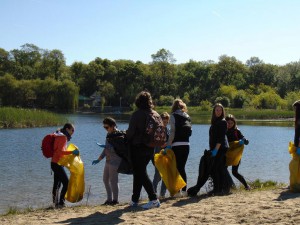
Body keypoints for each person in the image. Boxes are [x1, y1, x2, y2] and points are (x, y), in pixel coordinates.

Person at [126, 91, 160, 209]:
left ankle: (154, 199)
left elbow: (130, 133)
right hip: (151, 147)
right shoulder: (155, 113)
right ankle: (134, 200)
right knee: (139, 172)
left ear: (138, 101)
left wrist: (125, 137)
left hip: (138, 147)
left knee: (140, 173)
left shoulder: (137, 114)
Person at [92, 117, 122, 205]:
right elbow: (105, 150)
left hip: (116, 161)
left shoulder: (118, 135)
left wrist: (106, 147)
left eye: (107, 127)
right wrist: (98, 159)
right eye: (104, 127)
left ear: (113, 126)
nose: (105, 129)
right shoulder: (108, 135)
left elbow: (117, 149)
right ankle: (109, 199)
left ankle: (115, 200)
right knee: (105, 180)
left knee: (113, 181)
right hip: (108, 161)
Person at [165, 99, 192, 197]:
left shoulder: (173, 116)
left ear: (174, 107)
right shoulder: (188, 116)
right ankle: (184, 191)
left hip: (176, 145)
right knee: (182, 168)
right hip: (186, 145)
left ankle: (177, 191)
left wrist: (168, 144)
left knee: (176, 168)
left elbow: (172, 132)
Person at [51, 123, 79, 208]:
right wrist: (72, 152)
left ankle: (55, 204)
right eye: (72, 130)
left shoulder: (58, 135)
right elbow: (60, 152)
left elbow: (59, 151)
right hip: (57, 163)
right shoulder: (63, 137)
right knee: (66, 183)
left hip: (54, 163)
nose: (73, 132)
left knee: (57, 184)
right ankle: (61, 203)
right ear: (67, 129)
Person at [208, 103, 231, 195]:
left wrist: (216, 150)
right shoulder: (215, 121)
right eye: (216, 110)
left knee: (217, 168)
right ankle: (218, 189)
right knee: (217, 169)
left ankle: (219, 189)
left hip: (221, 148)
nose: (218, 112)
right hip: (216, 148)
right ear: (214, 111)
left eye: (220, 110)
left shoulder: (222, 122)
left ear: (222, 112)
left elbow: (221, 138)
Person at [225, 114, 250, 190]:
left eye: (231, 123)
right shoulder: (223, 130)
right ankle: (228, 187)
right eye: (228, 123)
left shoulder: (237, 131)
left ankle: (246, 186)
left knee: (234, 172)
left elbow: (246, 141)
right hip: (226, 154)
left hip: (236, 155)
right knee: (223, 169)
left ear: (234, 123)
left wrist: (244, 141)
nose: (229, 124)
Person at [152, 112, 170, 199]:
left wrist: (166, 144)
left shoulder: (167, 130)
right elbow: (155, 142)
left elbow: (170, 142)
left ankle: (162, 194)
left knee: (165, 175)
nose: (165, 124)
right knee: (157, 175)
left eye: (166, 122)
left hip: (166, 155)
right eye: (163, 121)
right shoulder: (157, 130)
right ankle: (153, 193)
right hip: (158, 154)